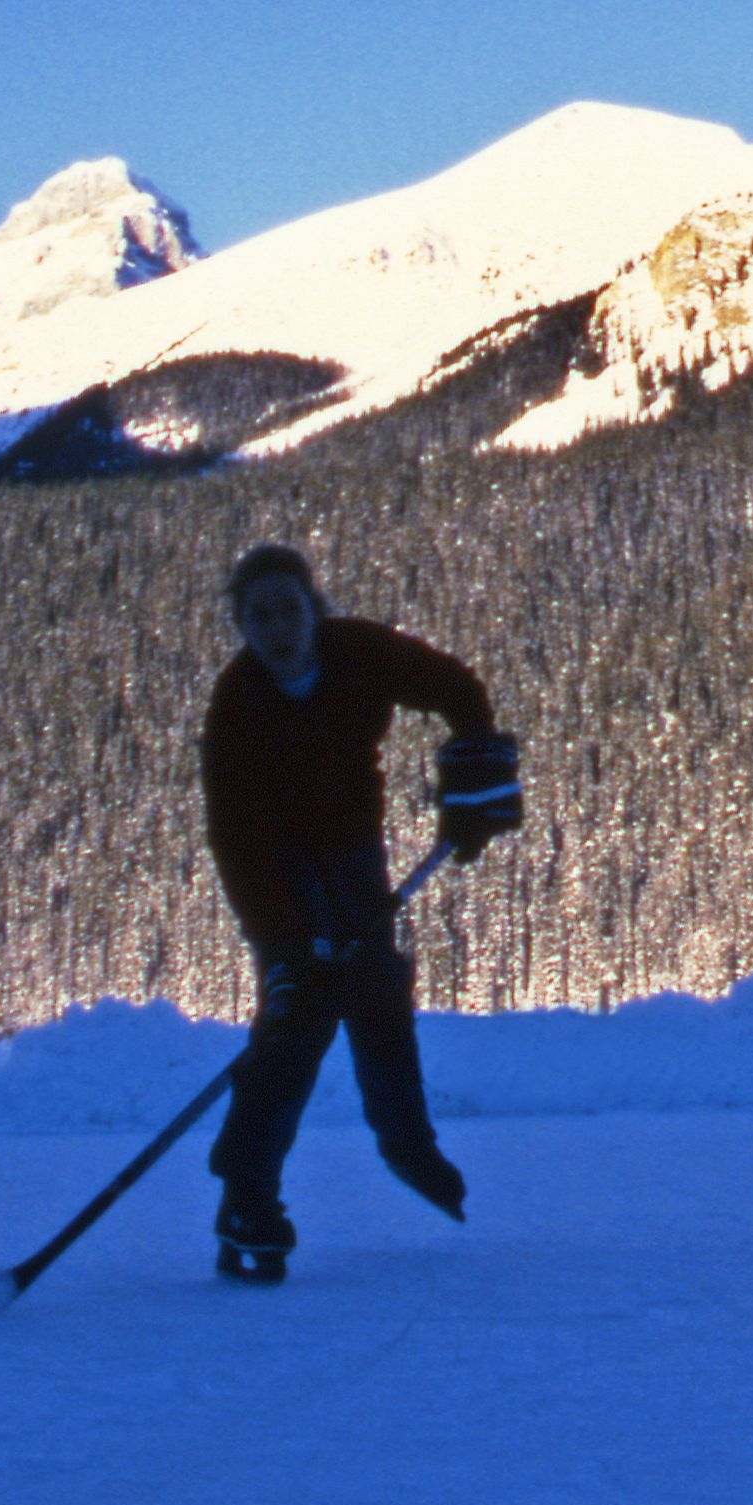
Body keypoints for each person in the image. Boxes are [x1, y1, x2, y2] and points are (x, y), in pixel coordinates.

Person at [195, 539, 523, 1285]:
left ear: (313, 608)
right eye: (259, 617)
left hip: (353, 857)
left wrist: (473, 783)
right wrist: (282, 948)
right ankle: (247, 1196)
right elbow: (236, 841)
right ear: (241, 626)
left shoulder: (360, 652)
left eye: (287, 610)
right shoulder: (236, 706)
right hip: (279, 869)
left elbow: (457, 691)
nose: (276, 629)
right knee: (298, 1020)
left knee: (377, 992)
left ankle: (406, 1144)